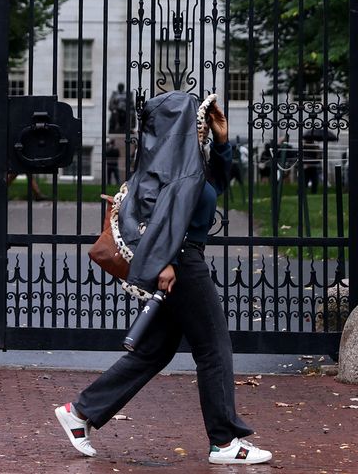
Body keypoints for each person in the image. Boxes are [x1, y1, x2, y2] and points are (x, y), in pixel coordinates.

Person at [52, 91, 271, 465]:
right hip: (181, 261)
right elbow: (161, 220)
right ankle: (224, 442)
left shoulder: (180, 161)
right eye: (193, 118)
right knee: (214, 349)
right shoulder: (168, 166)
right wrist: (166, 262)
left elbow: (214, 188)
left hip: (181, 258)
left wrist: (221, 142)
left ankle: (80, 412)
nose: (198, 123)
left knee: (154, 351)